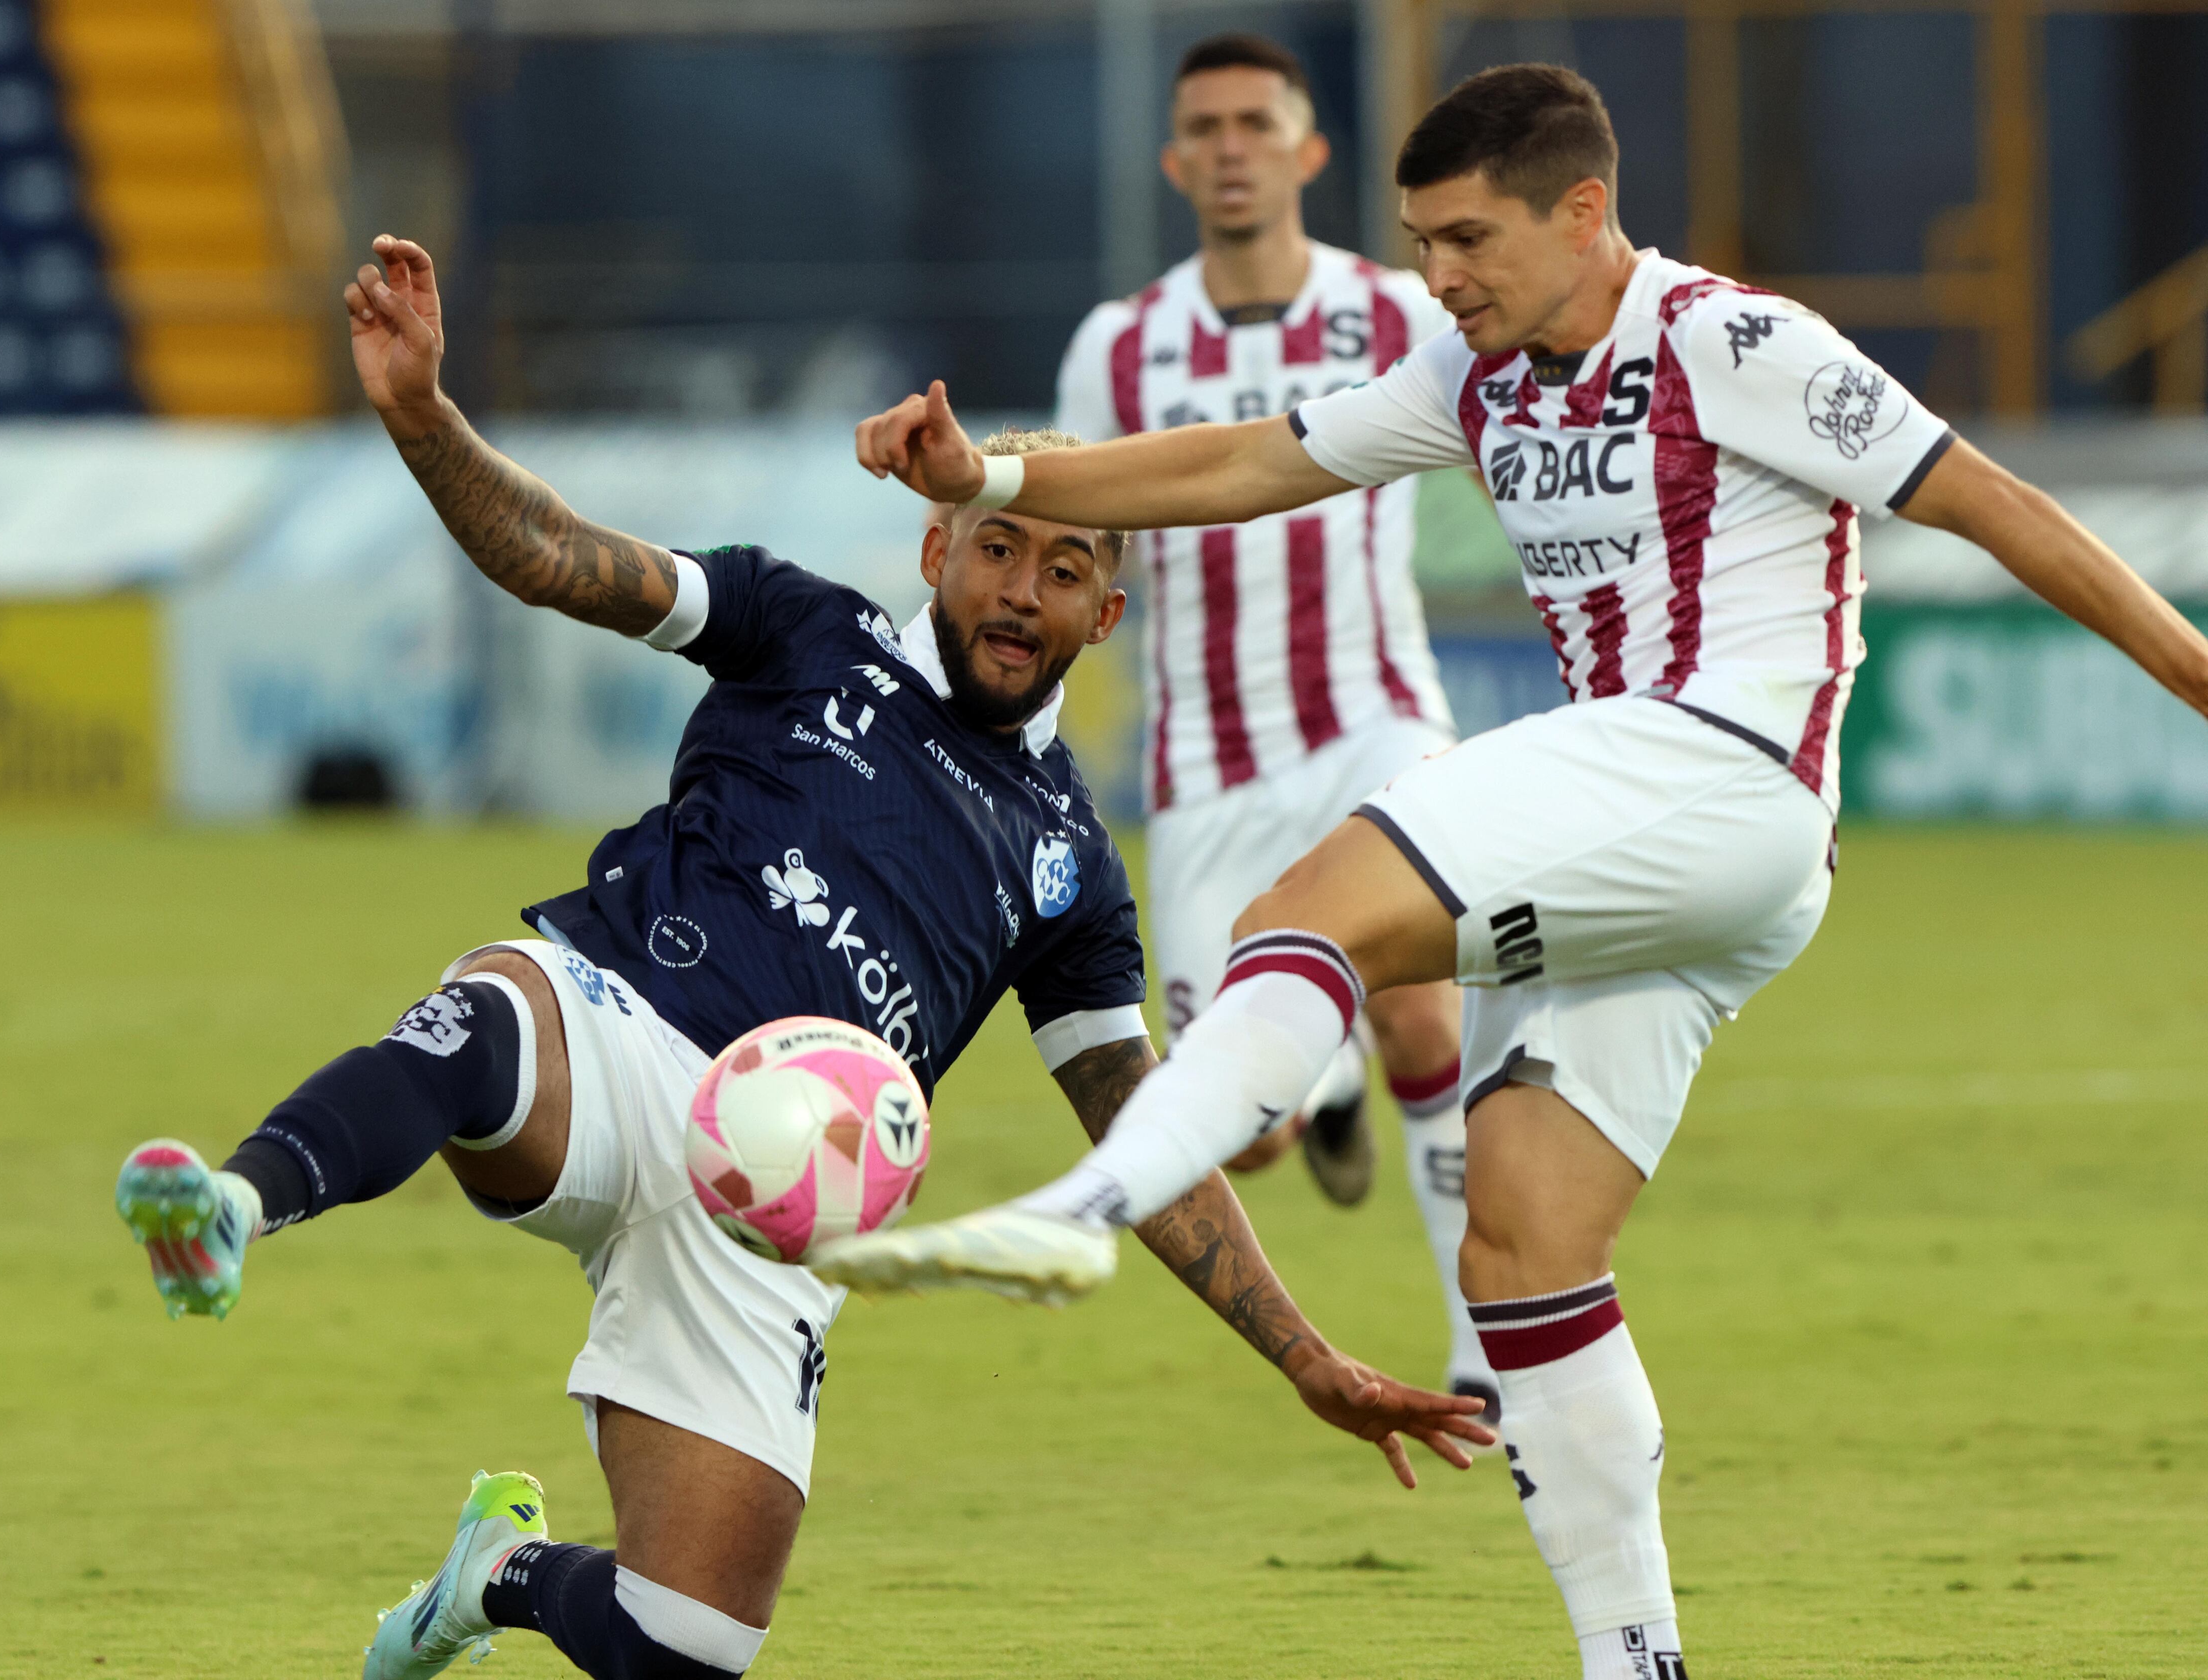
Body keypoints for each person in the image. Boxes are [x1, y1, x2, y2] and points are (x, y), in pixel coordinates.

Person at [823, 65, 2208, 1680]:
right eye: (1421, 245)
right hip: (1676, 854)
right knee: (1525, 1250)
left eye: (1470, 239)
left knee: (1307, 914)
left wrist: (2194, 673)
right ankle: (1637, 1662)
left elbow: (1993, 502)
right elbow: (1244, 466)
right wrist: (990, 479)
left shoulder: (1733, 342)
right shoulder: (1474, 379)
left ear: (1584, 212)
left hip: (1718, 771)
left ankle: (1088, 1204)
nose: (1443, 276)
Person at [111, 236, 1492, 1680]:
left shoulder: (1075, 863)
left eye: (1066, 568)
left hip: (775, 1215)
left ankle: (495, 1575)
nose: (1022, 591)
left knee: (687, 1647)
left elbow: (1149, 1135)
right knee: (489, 1023)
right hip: (620, 1028)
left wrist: (1307, 1356)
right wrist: (420, 417)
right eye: (999, 548)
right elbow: (563, 561)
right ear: (935, 550)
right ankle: (230, 1209)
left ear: (1107, 613)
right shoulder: (804, 631)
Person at [1055, 30, 1497, 1417]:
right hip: (1208, 767)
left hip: (1374, 718)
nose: (1234, 145)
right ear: (1178, 162)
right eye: (1209, 127)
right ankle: (1330, 1085)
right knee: (1244, 1132)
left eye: (1260, 122)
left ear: (1308, 152)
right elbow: (1073, 538)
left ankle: (1489, 1348)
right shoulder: (1118, 349)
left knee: (1429, 993)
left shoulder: (1396, 312)